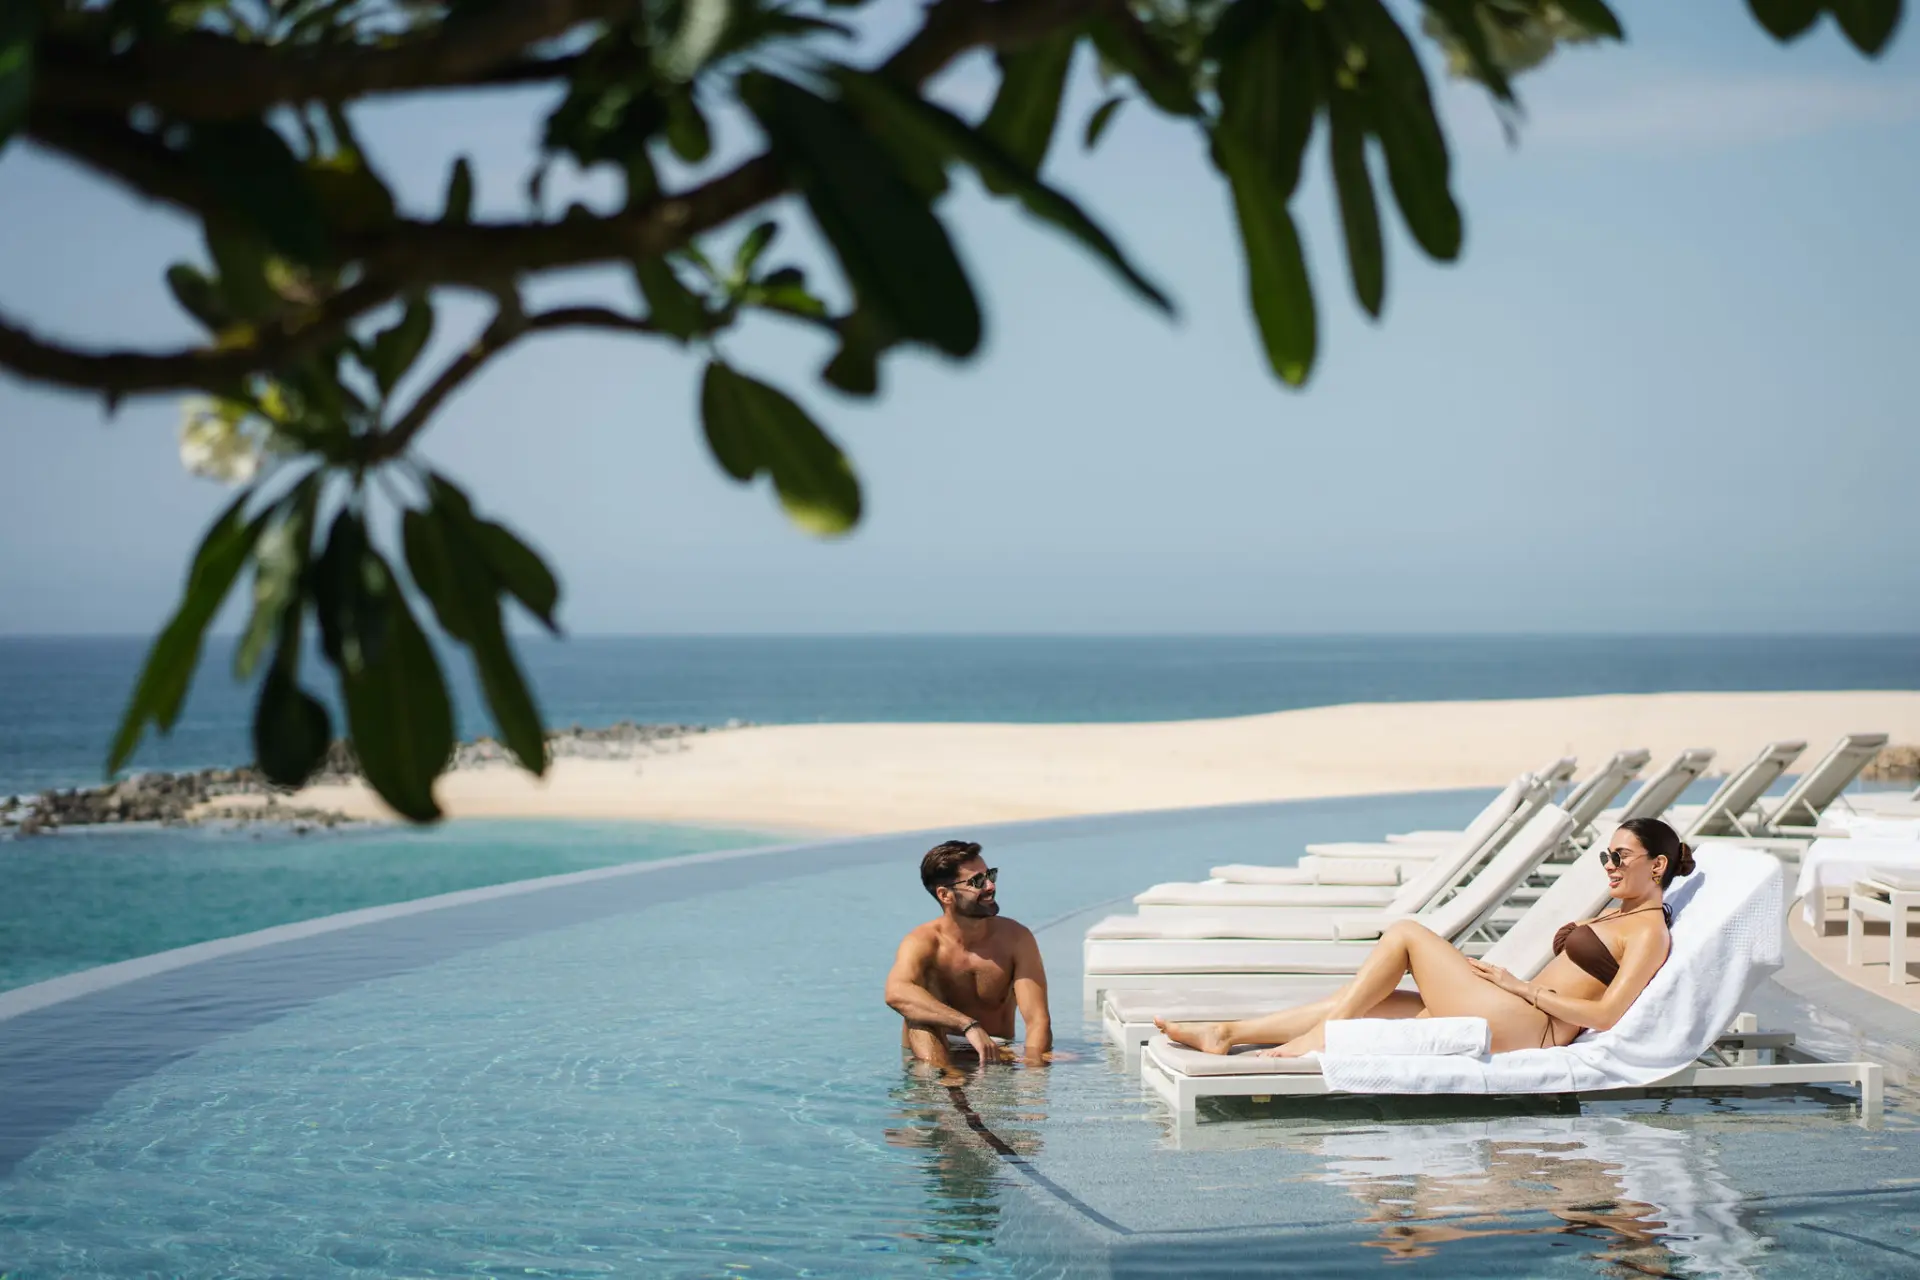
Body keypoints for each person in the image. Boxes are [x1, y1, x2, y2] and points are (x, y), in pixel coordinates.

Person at [1158, 817, 1695, 1058]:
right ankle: (1226, 1033)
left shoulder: (1649, 933)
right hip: (1513, 1007)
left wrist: (1523, 988)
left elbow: (1606, 1016)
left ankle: (1320, 1038)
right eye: (1606, 855)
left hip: (1534, 1027)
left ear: (1659, 864)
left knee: (1407, 935)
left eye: (1619, 856)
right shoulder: (1615, 910)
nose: (1608, 865)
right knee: (1372, 1001)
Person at [885, 839, 1054, 1066]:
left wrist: (1034, 1071)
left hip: (995, 1052)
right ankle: (943, 1084)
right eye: (977, 881)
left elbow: (1037, 1021)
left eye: (990, 875)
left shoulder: (1016, 939)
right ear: (945, 895)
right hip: (932, 1055)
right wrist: (968, 1025)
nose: (990, 886)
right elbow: (896, 993)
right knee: (918, 1006)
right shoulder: (923, 942)